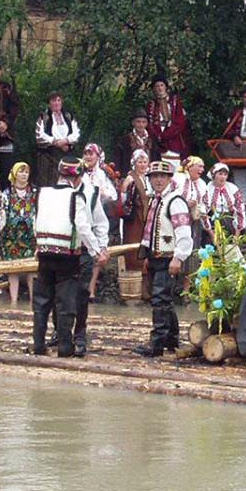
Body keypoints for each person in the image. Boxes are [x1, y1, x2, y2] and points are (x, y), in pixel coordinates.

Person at [31, 156, 107, 357]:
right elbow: (82, 226)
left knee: (41, 302)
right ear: (77, 176)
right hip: (68, 256)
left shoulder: (43, 193)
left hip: (45, 253)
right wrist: (97, 251)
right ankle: (65, 347)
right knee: (66, 303)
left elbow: (36, 220)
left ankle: (39, 345)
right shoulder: (76, 196)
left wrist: (39, 244)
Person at [133, 160, 193, 357]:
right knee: (163, 299)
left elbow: (184, 232)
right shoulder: (156, 200)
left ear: (169, 179)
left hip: (169, 258)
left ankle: (157, 344)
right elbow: (151, 232)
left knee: (160, 299)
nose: (158, 180)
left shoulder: (175, 201)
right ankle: (171, 340)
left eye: (162, 176)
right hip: (157, 256)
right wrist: (148, 254)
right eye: (154, 176)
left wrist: (179, 257)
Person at [74, 159, 110, 356]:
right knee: (58, 296)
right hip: (60, 251)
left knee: (81, 294)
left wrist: (100, 248)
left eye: (75, 175)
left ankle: (80, 334)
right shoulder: (55, 193)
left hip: (84, 251)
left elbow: (99, 224)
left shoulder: (91, 193)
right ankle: (59, 332)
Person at [0, 162, 38, 305]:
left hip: (30, 236)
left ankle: (34, 301)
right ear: (15, 174)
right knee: (12, 268)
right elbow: (1, 212)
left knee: (31, 268)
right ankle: (14, 301)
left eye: (26, 172)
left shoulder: (34, 192)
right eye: (21, 172)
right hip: (11, 235)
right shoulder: (6, 193)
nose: (24, 175)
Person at [82, 143, 118, 299]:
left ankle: (91, 288)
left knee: (97, 250)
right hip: (81, 214)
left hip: (98, 215)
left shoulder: (102, 174)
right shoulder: (78, 170)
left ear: (98, 156)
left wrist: (102, 193)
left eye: (92, 154)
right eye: (86, 154)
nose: (89, 157)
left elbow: (114, 194)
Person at [118, 149, 153, 286]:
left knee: (146, 248)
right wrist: (125, 186)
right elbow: (123, 200)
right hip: (135, 219)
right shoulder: (131, 178)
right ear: (134, 163)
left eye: (145, 162)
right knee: (134, 249)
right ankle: (133, 286)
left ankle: (145, 285)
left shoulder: (148, 178)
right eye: (140, 162)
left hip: (146, 218)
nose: (143, 165)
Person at [34, 92, 81, 187]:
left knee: (66, 182)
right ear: (49, 103)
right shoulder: (44, 117)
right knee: (48, 185)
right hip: (48, 157)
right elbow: (40, 135)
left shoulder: (68, 116)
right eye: (54, 100)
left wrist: (65, 141)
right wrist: (56, 142)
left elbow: (76, 133)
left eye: (59, 100)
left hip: (66, 155)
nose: (56, 103)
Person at [146, 73, 191, 162]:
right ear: (154, 89)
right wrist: (158, 137)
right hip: (159, 142)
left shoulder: (175, 102)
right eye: (157, 86)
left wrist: (167, 135)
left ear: (166, 87)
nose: (159, 88)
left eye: (162, 85)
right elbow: (149, 123)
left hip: (175, 139)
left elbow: (180, 121)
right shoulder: (151, 105)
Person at [173, 155, 207, 269]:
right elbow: (170, 198)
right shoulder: (178, 179)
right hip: (177, 221)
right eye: (200, 166)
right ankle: (174, 282)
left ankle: (187, 284)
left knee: (193, 251)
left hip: (194, 221)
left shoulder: (201, 184)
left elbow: (204, 204)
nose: (202, 170)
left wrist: (200, 210)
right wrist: (185, 204)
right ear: (190, 166)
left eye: (203, 167)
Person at [202, 162, 246, 236]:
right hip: (213, 224)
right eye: (220, 174)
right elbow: (203, 212)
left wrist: (237, 232)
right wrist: (211, 232)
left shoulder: (232, 188)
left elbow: (240, 209)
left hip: (230, 223)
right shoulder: (207, 189)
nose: (223, 177)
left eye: (225, 174)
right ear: (213, 175)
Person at [114, 108, 159, 178]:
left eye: (143, 122)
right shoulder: (125, 139)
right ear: (133, 123)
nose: (141, 125)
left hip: (149, 175)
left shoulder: (152, 139)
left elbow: (157, 158)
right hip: (129, 174)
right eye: (138, 122)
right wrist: (118, 171)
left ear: (147, 123)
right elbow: (118, 157)